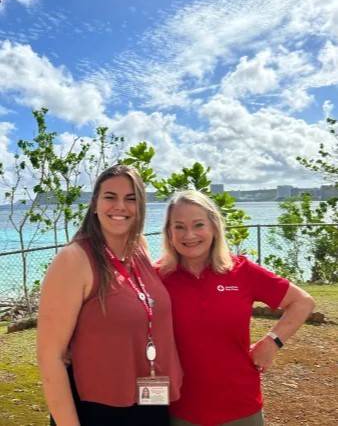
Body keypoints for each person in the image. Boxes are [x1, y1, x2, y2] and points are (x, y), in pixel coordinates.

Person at [37, 165, 182, 426]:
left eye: (131, 199)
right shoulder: (73, 260)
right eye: (110, 197)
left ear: (140, 207)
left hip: (149, 398)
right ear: (94, 204)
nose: (120, 207)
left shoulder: (139, 248)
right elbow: (51, 358)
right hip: (99, 408)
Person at [157, 190, 315, 426]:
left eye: (198, 224)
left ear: (214, 227)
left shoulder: (242, 271)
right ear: (169, 233)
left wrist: (272, 342)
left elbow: (303, 302)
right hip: (180, 408)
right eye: (178, 226)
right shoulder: (157, 276)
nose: (189, 235)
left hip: (240, 406)